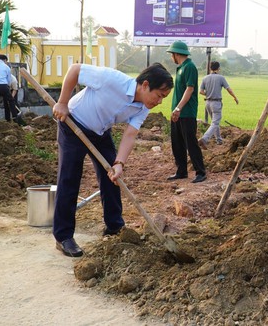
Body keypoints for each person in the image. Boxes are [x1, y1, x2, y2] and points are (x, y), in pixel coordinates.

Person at [52, 63, 173, 257]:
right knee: (69, 179)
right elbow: (74, 69)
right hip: (73, 124)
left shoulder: (142, 107)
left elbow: (130, 134)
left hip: (100, 132)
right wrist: (62, 103)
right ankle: (63, 237)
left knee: (112, 177)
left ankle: (114, 226)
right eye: (159, 95)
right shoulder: (111, 79)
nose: (159, 101)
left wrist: (119, 163)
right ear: (145, 85)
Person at [166, 41, 207, 184]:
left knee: (190, 143)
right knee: (177, 143)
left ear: (176, 54)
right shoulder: (180, 68)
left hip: (186, 112)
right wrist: (175, 109)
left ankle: (200, 172)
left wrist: (178, 108)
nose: (171, 57)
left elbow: (190, 89)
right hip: (177, 112)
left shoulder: (190, 67)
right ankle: (181, 171)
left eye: (172, 54)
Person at [198, 61, 239, 148]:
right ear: (218, 68)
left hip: (208, 103)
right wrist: (235, 97)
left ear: (210, 68)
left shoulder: (205, 78)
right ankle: (204, 139)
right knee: (215, 123)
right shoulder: (221, 78)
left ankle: (219, 140)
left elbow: (200, 91)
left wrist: (208, 94)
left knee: (214, 121)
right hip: (216, 103)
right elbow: (229, 89)